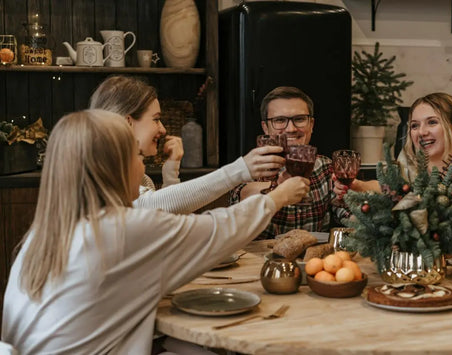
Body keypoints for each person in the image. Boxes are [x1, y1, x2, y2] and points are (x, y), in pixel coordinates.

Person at [1, 110, 309, 354]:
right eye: (137, 156)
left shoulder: (43, 234)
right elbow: (219, 230)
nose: (141, 166)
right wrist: (276, 198)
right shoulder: (120, 229)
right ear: (114, 166)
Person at [89, 75, 285, 214]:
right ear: (128, 121)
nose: (163, 129)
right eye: (156, 119)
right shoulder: (97, 174)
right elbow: (147, 207)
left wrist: (170, 172)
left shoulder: (143, 180)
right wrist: (240, 170)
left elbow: (165, 221)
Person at [335, 92, 452, 241]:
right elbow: (386, 189)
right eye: (414, 125)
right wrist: (356, 185)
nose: (421, 132)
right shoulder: (407, 170)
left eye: (432, 122)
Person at [229, 86, 352, 239]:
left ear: (311, 125)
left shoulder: (326, 166)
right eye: (280, 120)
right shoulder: (252, 165)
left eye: (299, 119)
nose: (291, 129)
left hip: (313, 259)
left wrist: (366, 207)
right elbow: (240, 196)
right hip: (259, 259)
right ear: (265, 128)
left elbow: (345, 212)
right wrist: (278, 187)